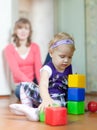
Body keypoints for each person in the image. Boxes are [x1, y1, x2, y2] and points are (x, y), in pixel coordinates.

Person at [9, 32, 76, 121]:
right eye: (62, 56)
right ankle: (28, 108)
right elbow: (43, 85)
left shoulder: (69, 67)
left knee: (58, 104)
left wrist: (75, 102)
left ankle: (36, 112)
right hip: (44, 95)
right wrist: (46, 98)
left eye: (70, 57)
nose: (66, 60)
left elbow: (71, 86)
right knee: (24, 85)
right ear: (51, 53)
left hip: (57, 97)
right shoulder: (47, 68)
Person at [4, 18, 42, 100]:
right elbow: (16, 72)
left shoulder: (35, 47)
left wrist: (42, 85)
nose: (23, 31)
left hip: (35, 81)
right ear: (15, 31)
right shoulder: (9, 48)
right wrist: (31, 85)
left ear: (30, 32)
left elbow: (38, 69)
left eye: (26, 28)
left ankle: (41, 93)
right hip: (21, 85)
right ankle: (38, 95)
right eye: (20, 28)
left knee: (52, 56)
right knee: (20, 91)